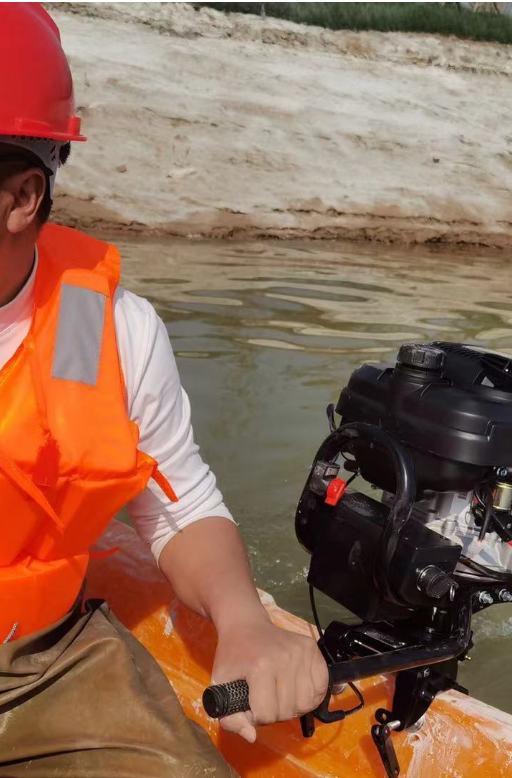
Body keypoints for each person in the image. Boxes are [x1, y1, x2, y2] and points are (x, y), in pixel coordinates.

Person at [0, 5, 328, 777]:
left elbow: (178, 503)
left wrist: (243, 621)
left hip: (38, 660)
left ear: (21, 197)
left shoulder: (101, 331)